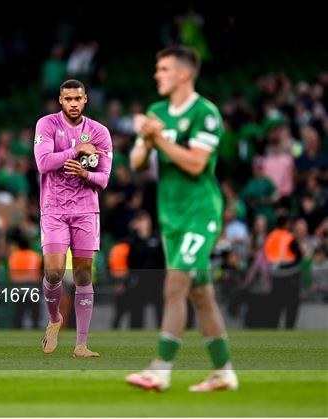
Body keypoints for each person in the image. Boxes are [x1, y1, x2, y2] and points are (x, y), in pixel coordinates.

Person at [126, 46, 238, 391]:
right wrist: (146, 142)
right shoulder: (157, 111)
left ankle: (159, 369)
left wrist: (157, 137)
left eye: (163, 69)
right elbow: (136, 164)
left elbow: (195, 164)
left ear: (183, 74)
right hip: (170, 216)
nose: (156, 75)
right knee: (201, 294)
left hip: (200, 213)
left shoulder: (206, 113)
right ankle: (224, 372)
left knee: (174, 285)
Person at [34, 79, 112, 358]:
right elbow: (43, 163)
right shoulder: (47, 125)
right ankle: (55, 319)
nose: (73, 103)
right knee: (54, 272)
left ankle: (81, 344)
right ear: (60, 101)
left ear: (86, 99)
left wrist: (84, 175)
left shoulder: (100, 133)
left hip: (86, 210)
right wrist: (75, 151)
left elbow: (103, 179)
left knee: (82, 274)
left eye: (78, 98)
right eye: (68, 99)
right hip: (53, 208)